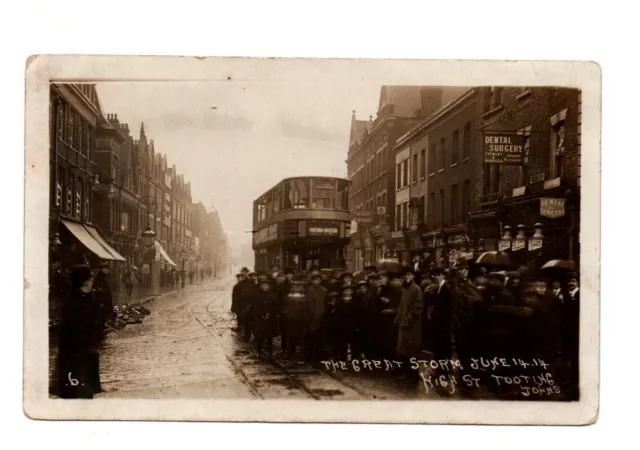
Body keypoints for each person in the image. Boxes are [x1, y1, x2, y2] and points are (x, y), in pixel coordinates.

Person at [55, 265, 102, 398]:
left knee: (85, 392)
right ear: (85, 281)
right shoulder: (74, 303)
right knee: (77, 392)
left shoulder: (88, 299)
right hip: (77, 355)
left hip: (85, 353)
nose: (92, 281)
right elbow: (74, 330)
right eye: (90, 278)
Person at [394, 268, 424, 383]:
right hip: (404, 324)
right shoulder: (405, 289)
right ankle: (406, 373)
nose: (406, 277)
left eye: (409, 275)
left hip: (412, 325)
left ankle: (413, 376)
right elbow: (402, 307)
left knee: (412, 351)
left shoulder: (416, 289)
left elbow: (417, 308)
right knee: (404, 351)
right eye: (405, 275)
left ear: (413, 276)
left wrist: (407, 320)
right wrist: (398, 320)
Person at [430, 266, 455, 365]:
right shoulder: (439, 287)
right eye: (435, 275)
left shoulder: (446, 288)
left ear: (442, 276)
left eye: (438, 275)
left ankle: (445, 367)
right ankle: (441, 366)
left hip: (444, 324)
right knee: (440, 346)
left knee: (444, 346)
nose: (436, 277)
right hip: (440, 323)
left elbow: (448, 307)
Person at [561, 271, 580, 398]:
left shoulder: (580, 295)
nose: (570, 284)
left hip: (577, 330)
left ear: (578, 283)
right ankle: (570, 380)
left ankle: (575, 381)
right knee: (568, 354)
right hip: (567, 330)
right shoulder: (565, 296)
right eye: (568, 282)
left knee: (576, 355)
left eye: (573, 281)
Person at [252, 275, 279, 358]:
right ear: (260, 286)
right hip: (260, 318)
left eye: (266, 285)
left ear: (269, 286)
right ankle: (259, 351)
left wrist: (270, 312)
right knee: (260, 335)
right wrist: (261, 314)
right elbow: (254, 306)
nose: (264, 287)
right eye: (263, 285)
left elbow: (276, 306)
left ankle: (269, 352)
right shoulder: (257, 295)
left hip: (270, 318)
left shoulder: (273, 295)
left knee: (269, 336)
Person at [304, 273, 327, 361]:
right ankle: (309, 355)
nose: (316, 281)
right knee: (309, 336)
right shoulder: (308, 290)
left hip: (321, 316)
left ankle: (319, 355)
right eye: (314, 280)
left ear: (320, 281)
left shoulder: (324, 290)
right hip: (310, 316)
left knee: (319, 337)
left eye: (318, 280)